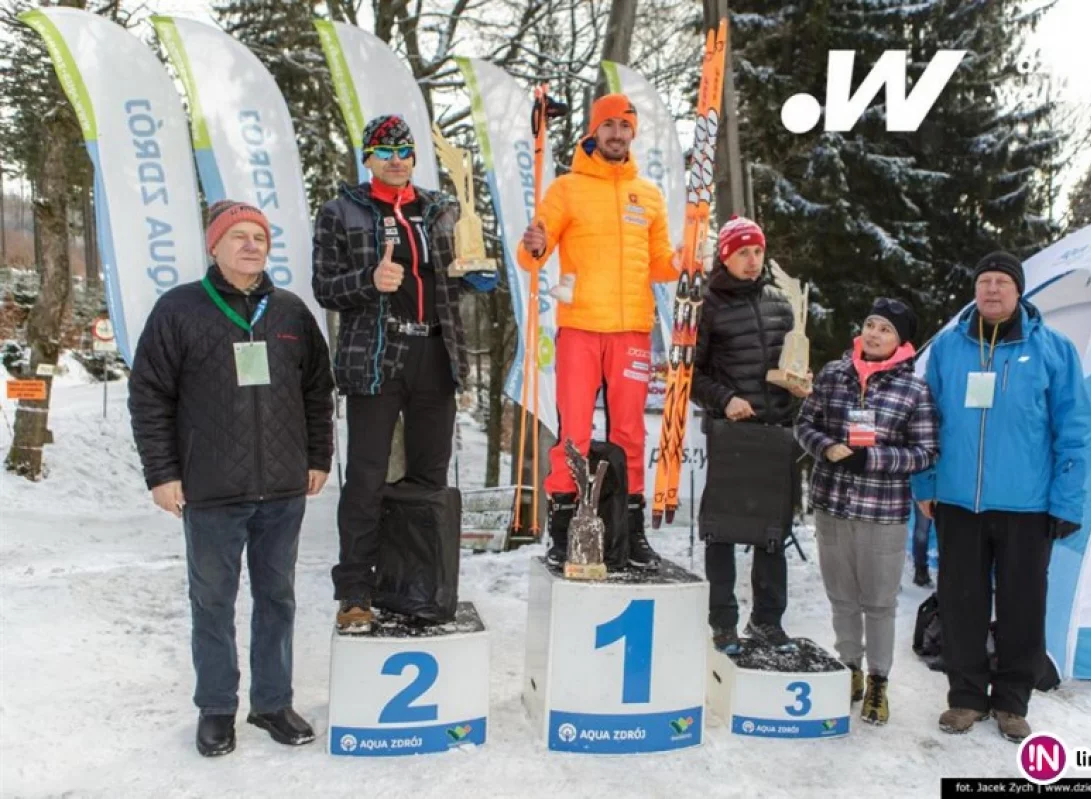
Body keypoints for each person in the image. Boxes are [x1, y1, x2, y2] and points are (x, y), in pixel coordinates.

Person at [129, 200, 334, 757]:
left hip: (284, 490)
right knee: (213, 602)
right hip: (210, 490)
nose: (251, 246)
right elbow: (149, 395)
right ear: (214, 246)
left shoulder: (291, 313)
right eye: (238, 236)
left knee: (278, 599)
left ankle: (272, 703)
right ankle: (216, 709)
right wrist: (162, 473)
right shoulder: (179, 311)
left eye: (259, 238)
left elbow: (319, 391)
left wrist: (319, 456)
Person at [312, 114, 487, 633]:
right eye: (384, 150)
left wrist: (477, 275)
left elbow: (460, 279)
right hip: (375, 359)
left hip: (436, 354)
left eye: (404, 150)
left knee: (429, 479)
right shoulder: (340, 211)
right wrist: (369, 280)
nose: (396, 159)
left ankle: (418, 583)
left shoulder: (442, 209)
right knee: (366, 478)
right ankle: (356, 593)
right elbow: (325, 288)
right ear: (368, 157)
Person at [913, 251, 1091, 743]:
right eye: (984, 281)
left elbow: (1074, 429)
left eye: (1001, 282)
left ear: (1019, 291)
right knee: (961, 602)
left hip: (1027, 506)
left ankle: (1013, 700)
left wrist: (1066, 501)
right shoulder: (949, 348)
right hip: (957, 502)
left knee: (1022, 605)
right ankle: (966, 697)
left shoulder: (1054, 350)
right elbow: (924, 421)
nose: (991, 290)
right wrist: (925, 483)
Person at [520, 93, 679, 569]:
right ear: (594, 131)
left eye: (624, 126)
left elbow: (660, 264)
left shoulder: (648, 195)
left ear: (633, 134)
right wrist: (535, 242)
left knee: (630, 434)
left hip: (631, 330)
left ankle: (629, 534)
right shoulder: (567, 189)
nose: (616, 134)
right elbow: (534, 254)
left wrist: (686, 260)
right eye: (607, 125)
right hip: (580, 329)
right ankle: (564, 528)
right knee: (574, 434)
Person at [795, 298, 938, 726]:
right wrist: (826, 448)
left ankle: (878, 681)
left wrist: (871, 459)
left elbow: (925, 452)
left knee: (878, 603)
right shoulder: (834, 375)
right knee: (842, 598)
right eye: (870, 325)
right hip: (833, 505)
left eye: (886, 330)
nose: (874, 334)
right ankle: (849, 669)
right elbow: (805, 423)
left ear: (900, 341)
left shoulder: (914, 390)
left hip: (882, 513)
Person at [691, 218, 810, 653]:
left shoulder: (782, 302)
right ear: (725, 255)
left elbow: (793, 360)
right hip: (731, 431)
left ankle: (768, 623)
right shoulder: (707, 304)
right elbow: (691, 375)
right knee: (722, 531)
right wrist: (724, 400)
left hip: (777, 432)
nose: (752, 259)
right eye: (742, 251)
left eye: (757, 251)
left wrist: (800, 382)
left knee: (772, 533)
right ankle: (723, 623)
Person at [912, 498, 934, 587]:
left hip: (946, 490)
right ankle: (920, 570)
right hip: (924, 491)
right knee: (922, 530)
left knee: (922, 530)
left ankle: (946, 573)